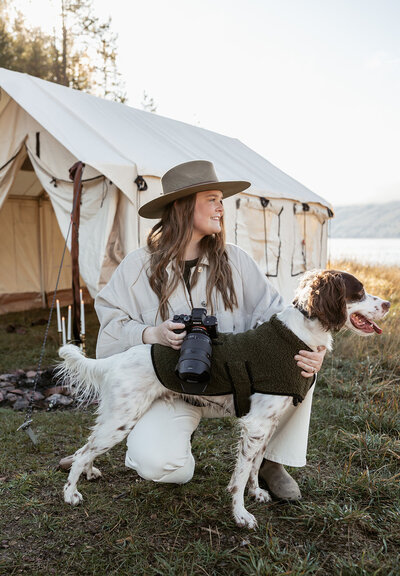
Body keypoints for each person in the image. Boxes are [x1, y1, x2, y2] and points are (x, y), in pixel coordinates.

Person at [62, 160, 326, 499]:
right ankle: (131, 439)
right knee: (165, 467)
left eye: (221, 199)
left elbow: (278, 316)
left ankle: (270, 460)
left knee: (302, 367)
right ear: (183, 207)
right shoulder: (137, 265)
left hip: (232, 385)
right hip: (169, 383)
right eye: (212, 199)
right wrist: (151, 334)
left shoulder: (236, 261)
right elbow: (111, 321)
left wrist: (314, 353)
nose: (221, 208)